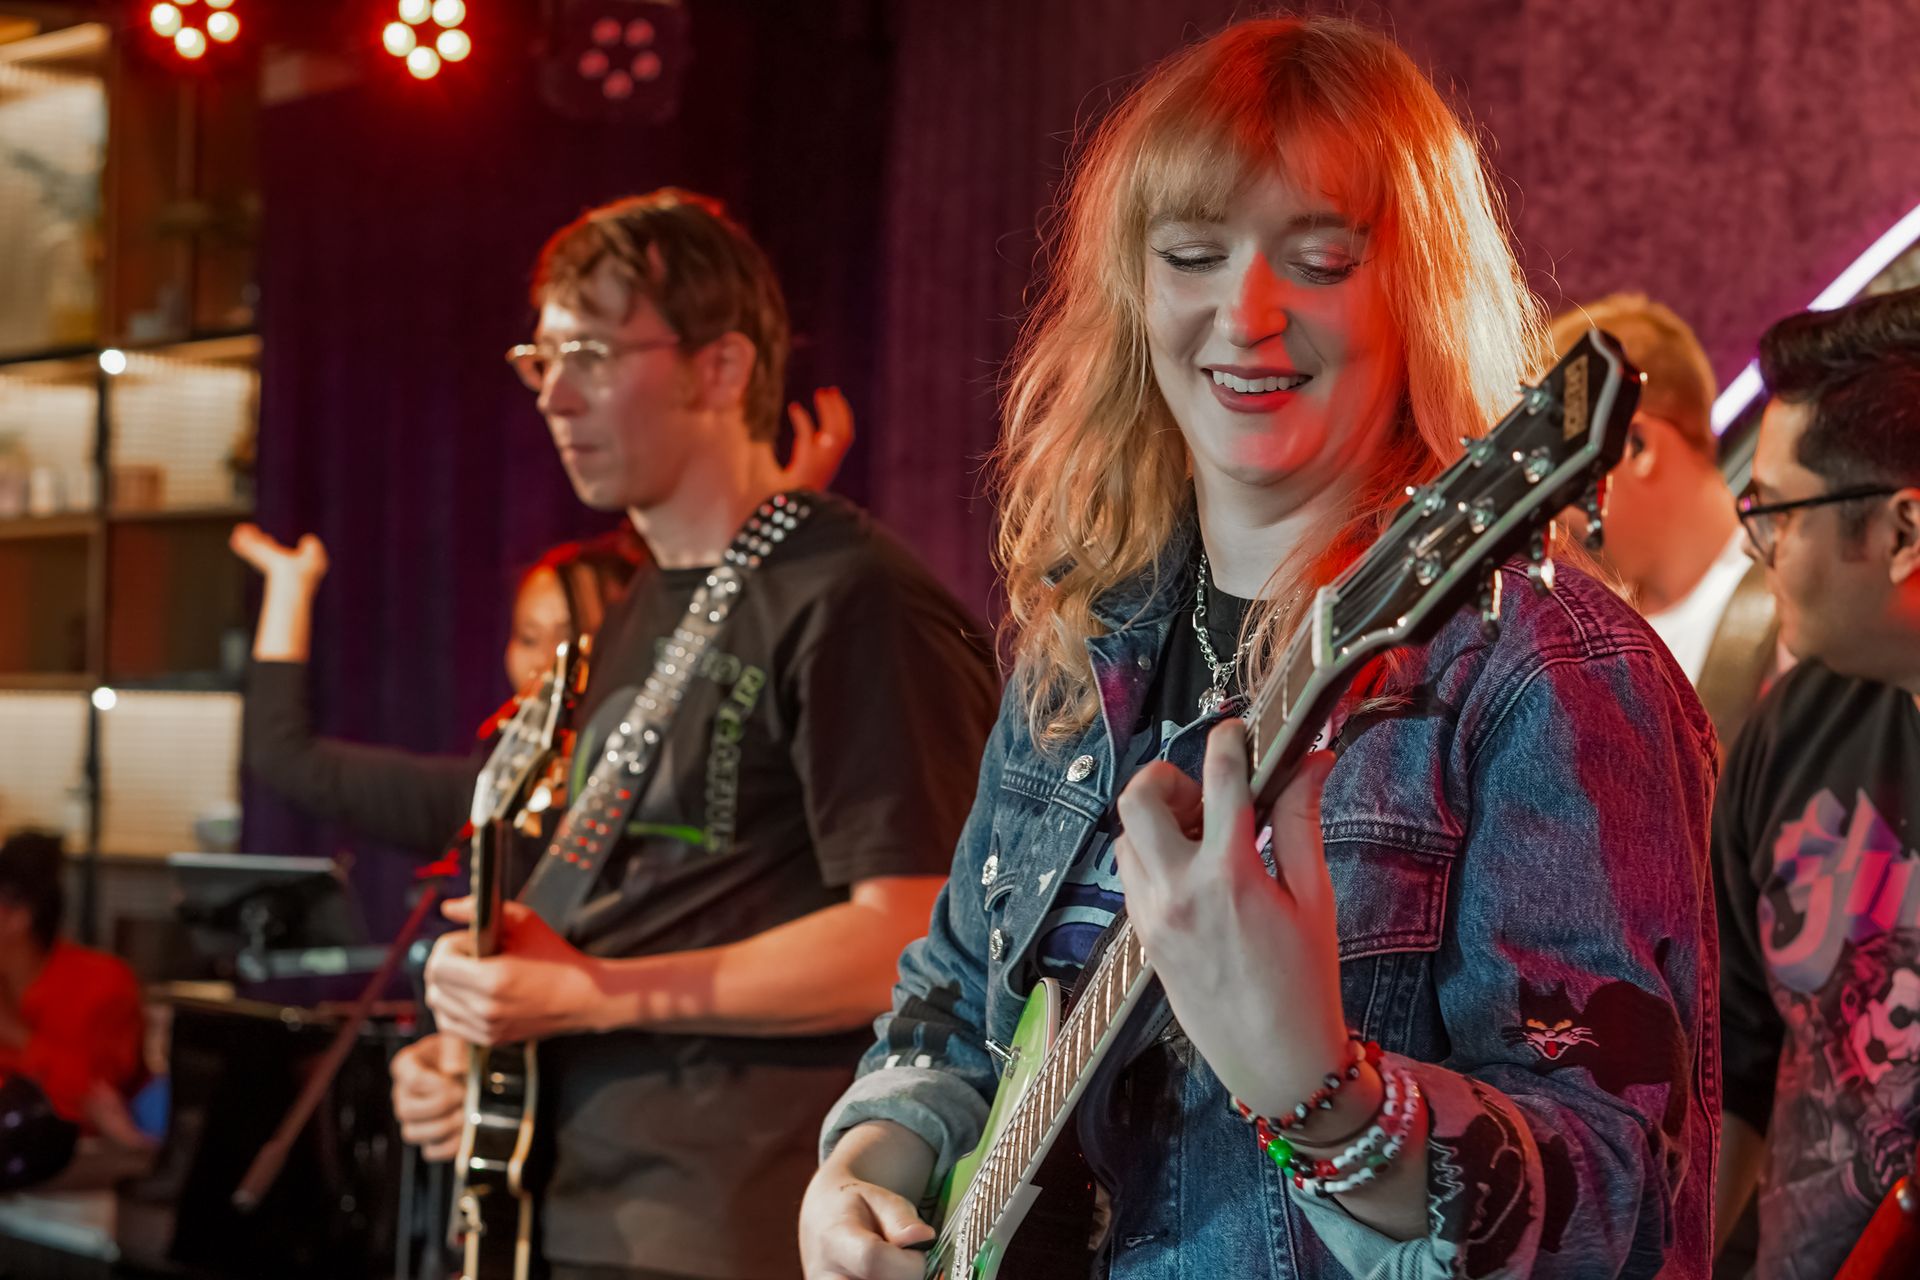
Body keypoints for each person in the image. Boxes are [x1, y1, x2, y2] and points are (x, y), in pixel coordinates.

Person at [801, 17, 1717, 1279]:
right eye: (1192, 254)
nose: (1246, 313)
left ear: (1413, 292)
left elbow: (1624, 1209)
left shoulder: (1545, 672)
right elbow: (958, 996)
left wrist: (1320, 1089)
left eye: (1320, 258)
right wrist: (863, 1166)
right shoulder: (1088, 644)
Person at [389, 190, 1000, 1280]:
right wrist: (473, 1045)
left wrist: (590, 996)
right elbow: (632, 911)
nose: (555, 394)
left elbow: (915, 937)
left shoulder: (854, 597)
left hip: (725, 1218)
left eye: (590, 354)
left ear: (721, 368)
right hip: (567, 1196)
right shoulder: (646, 601)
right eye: (542, 358)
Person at [228, 387, 853, 858]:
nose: (546, 660)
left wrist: (767, 529)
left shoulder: (687, 786)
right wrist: (290, 585)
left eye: (574, 634)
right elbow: (285, 757)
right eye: (528, 636)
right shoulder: (491, 796)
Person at [1713, 284, 1920, 1279]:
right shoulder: (1795, 728)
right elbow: (1731, 1058)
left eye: (1777, 513)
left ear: (1904, 532)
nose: (1757, 548)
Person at [1549, 294, 1782, 749]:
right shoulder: (1587, 648)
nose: (1551, 516)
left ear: (1635, 447)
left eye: (1558, 473)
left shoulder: (1801, 612)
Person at [0, 831, 147, 1190]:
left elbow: (94, 1102)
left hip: (75, 1175)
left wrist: (17, 1035)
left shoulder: (103, 983)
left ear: (18, 915)